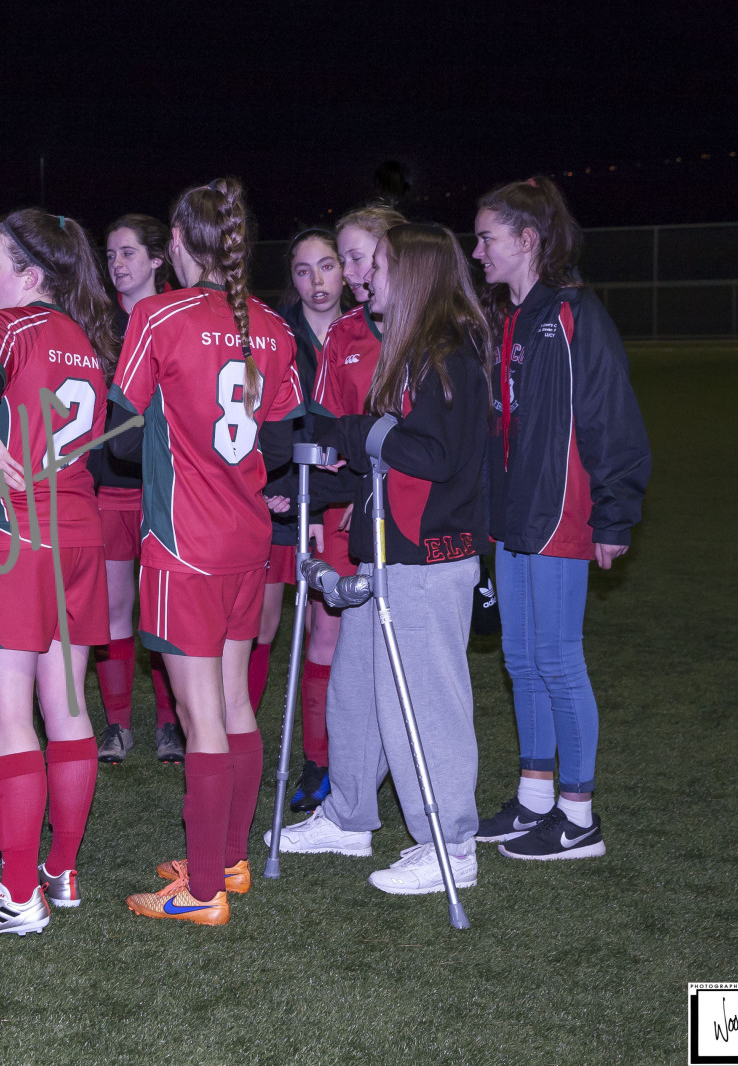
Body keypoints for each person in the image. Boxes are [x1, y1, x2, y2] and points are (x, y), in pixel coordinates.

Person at [107, 179, 301, 925]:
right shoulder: (275, 328)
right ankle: (229, 859)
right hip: (247, 538)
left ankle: (203, 891)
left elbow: (120, 440)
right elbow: (279, 444)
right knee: (234, 701)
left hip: (183, 542)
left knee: (201, 716)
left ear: (181, 243)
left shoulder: (158, 315)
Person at [0, 208, 114, 936]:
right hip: (78, 532)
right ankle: (61, 869)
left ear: (32, 274)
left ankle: (18, 896)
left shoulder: (6, 326)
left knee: (7, 716)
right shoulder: (85, 338)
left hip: (15, 533)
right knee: (68, 709)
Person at [310, 221, 493, 896]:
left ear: (413, 274)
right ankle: (349, 815)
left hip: (425, 561)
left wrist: (359, 431)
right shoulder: (415, 351)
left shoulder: (445, 355)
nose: (366, 277)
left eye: (380, 265)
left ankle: (450, 846)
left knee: (425, 705)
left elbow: (432, 457)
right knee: (360, 693)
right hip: (388, 555)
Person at [471, 176, 650, 860]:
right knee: (521, 661)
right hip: (514, 518)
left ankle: (579, 818)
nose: (478, 251)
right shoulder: (509, 318)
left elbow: (612, 416)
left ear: (527, 240)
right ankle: (535, 799)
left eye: (487, 238)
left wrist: (614, 515)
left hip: (561, 513)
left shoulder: (576, 314)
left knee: (557, 660)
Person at [273, 203, 406, 842]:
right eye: (340, 260)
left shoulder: (422, 326)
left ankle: (405, 780)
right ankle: (322, 765)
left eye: (354, 259)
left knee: (403, 651)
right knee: (329, 640)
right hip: (346, 510)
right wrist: (312, 493)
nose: (347, 274)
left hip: (413, 516)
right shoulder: (344, 336)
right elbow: (327, 434)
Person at [259, 227, 349, 812]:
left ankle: (324, 762)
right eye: (302, 269)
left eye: (327, 266)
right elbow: (263, 422)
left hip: (335, 503)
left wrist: (319, 500)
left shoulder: (365, 330)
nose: (316, 280)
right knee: (259, 629)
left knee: (326, 631)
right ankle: (240, 745)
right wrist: (278, 488)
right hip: (277, 503)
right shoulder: (277, 333)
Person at [94, 214, 185, 765]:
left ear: (156, 259)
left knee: (163, 609)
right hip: (110, 486)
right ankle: (119, 724)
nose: (117, 264)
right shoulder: (99, 325)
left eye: (128, 252)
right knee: (115, 606)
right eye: (110, 255)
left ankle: (171, 723)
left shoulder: (178, 316)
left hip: (166, 489)